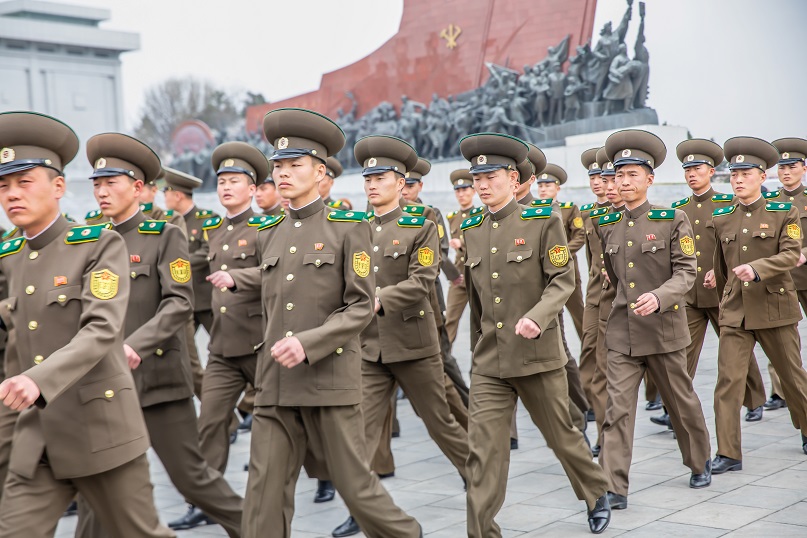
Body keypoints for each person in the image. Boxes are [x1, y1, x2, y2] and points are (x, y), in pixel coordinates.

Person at [221, 108, 422, 537]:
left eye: (295, 166)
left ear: (320, 173)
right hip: (274, 385)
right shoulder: (268, 231)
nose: (284, 174)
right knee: (263, 494)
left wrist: (309, 343)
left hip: (328, 380)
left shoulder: (349, 228)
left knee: (356, 487)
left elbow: (360, 306)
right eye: (278, 166)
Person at [0, 111, 173, 537]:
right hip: (37, 438)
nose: (11, 195)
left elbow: (101, 330)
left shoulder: (97, 245)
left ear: (58, 187)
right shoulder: (9, 257)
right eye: (3, 186)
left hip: (101, 432)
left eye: (24, 182)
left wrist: (38, 380)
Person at [76, 133, 243, 537]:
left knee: (192, 479)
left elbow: (179, 303)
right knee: (93, 495)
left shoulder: (163, 235)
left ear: (137, 188)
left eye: (110, 183)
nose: (101, 192)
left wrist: (136, 345)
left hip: (156, 383)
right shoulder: (85, 241)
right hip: (100, 388)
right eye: (96, 184)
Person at [459, 132, 611, 536]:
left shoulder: (543, 220)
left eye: (491, 176)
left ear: (513, 178)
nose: (483, 185)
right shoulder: (473, 228)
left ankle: (596, 491)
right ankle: (482, 531)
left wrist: (538, 317)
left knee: (561, 436)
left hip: (536, 354)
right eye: (477, 179)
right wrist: (477, 345)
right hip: (490, 360)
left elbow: (561, 280)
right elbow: (475, 299)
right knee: (484, 453)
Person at [332, 136, 469, 537]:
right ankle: (363, 508)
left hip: (413, 345)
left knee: (440, 422)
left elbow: (422, 281)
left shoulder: (421, 227)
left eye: (380, 177)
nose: (372, 185)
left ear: (400, 182)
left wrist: (378, 298)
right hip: (370, 348)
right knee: (362, 434)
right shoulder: (355, 228)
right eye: (367, 178)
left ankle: (476, 474)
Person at [597, 129, 712, 511]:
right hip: (622, 336)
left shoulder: (672, 219)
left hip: (663, 331)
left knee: (680, 401)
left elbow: (686, 273)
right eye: (620, 175)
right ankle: (614, 486)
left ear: (650, 178)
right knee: (617, 411)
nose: (624, 182)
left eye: (633, 174)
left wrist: (658, 297)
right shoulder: (607, 225)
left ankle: (699, 460)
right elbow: (612, 281)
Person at [171, 141, 268, 531]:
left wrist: (237, 278)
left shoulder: (266, 228)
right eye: (222, 181)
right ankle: (204, 502)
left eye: (235, 181)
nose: (226, 187)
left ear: (252, 188)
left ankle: (326, 476)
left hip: (262, 344)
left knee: (285, 423)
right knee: (209, 423)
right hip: (223, 348)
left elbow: (277, 276)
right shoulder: (216, 231)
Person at [648, 140, 766, 430]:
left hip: (721, 291)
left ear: (711, 171)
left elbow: (739, 245)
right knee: (681, 352)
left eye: (697, 169)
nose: (691, 175)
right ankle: (672, 409)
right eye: (687, 170)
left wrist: (720, 270)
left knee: (736, 351)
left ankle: (754, 399)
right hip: (689, 294)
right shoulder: (679, 209)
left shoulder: (728, 204)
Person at [707, 136, 807, 473]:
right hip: (736, 312)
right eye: (734, 174)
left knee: (793, 378)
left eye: (745, 174)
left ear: (762, 177)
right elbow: (721, 268)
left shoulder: (784, 212)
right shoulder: (722, 217)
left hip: (774, 309)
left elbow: (792, 254)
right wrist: (725, 300)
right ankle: (728, 452)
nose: (737, 180)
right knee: (727, 382)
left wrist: (757, 270)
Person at [761, 137, 807, 412]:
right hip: (782, 279)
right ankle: (779, 392)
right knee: (779, 336)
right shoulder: (770, 202)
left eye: (792, 166)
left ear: (803, 168)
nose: (786, 172)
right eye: (782, 167)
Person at [576, 148, 610, 456]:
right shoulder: (589, 213)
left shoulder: (624, 211)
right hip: (596, 296)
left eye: (605, 177)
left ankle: (605, 433)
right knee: (589, 357)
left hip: (624, 300)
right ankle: (591, 421)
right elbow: (592, 261)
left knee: (605, 368)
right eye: (594, 177)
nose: (599, 183)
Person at [444, 169, 478, 346]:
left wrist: (462, 244)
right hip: (459, 277)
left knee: (480, 324)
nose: (461, 194)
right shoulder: (452, 218)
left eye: (465, 189)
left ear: (473, 191)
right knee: (449, 321)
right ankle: (444, 367)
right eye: (458, 191)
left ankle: (479, 370)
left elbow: (484, 245)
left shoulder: (481, 215)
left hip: (477, 277)